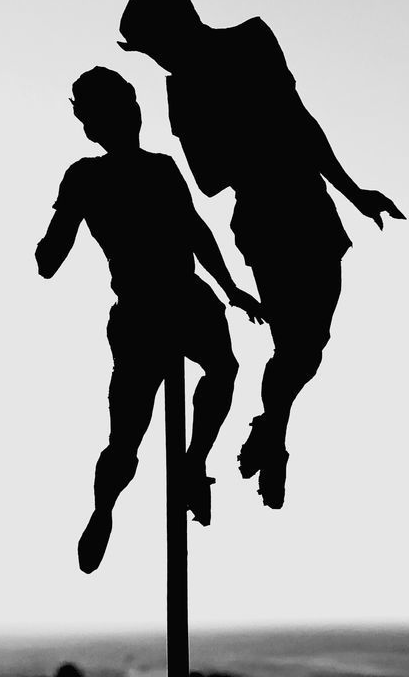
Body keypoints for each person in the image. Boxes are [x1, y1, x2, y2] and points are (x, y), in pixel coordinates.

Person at [116, 0, 406, 510]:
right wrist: (256, 133)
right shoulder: (180, 90)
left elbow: (301, 122)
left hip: (311, 206)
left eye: (155, 46)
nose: (157, 60)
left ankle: (272, 426)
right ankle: (274, 436)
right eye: (150, 54)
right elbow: (207, 178)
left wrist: (354, 193)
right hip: (262, 222)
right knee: (292, 343)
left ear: (177, 21)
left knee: (309, 347)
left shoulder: (252, 39)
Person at [35, 66, 263, 573]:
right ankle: (108, 508)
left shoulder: (147, 170)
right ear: (98, 123)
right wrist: (53, 241)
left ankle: (190, 463)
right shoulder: (89, 176)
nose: (133, 118)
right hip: (150, 312)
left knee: (218, 373)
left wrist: (231, 289)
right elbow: (51, 256)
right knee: (129, 436)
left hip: (173, 305)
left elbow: (197, 232)